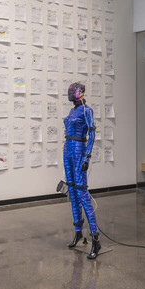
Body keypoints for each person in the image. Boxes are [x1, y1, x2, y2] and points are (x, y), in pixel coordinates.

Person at [63, 82, 100, 259]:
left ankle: (95, 238)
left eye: (73, 90)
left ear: (81, 93)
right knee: (72, 191)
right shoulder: (72, 112)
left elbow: (92, 133)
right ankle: (78, 231)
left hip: (78, 148)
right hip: (67, 149)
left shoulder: (87, 110)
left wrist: (87, 156)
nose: (70, 93)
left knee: (82, 193)